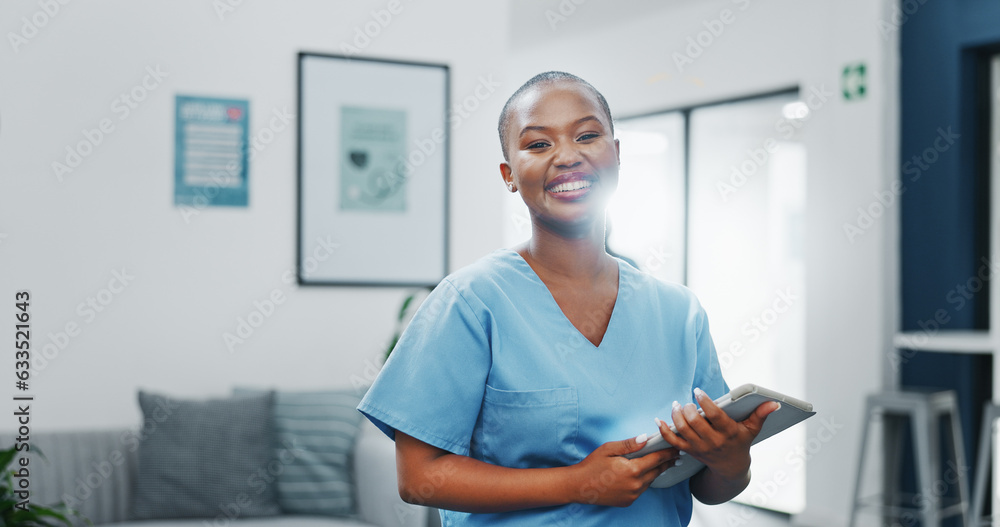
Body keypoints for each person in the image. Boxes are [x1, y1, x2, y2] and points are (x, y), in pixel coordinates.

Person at [357, 71, 779, 526]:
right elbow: (419, 478)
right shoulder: (470, 302)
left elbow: (708, 487)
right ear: (509, 175)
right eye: (538, 144)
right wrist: (577, 482)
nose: (567, 156)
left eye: (588, 135)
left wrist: (733, 461)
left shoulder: (679, 313)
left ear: (616, 155)